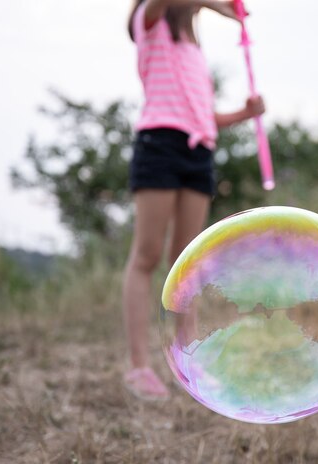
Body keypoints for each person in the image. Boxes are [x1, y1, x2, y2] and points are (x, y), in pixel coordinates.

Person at [123, 0, 266, 400]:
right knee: (147, 255)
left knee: (185, 262)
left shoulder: (193, 49)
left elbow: (202, 113)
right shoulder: (148, 22)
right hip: (160, 143)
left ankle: (191, 364)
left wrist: (245, 113)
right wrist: (215, 3)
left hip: (198, 151)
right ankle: (138, 367)